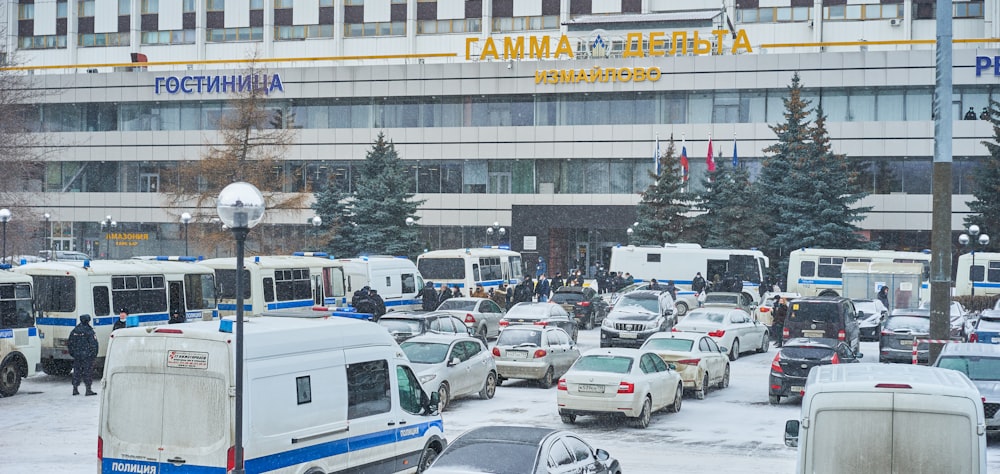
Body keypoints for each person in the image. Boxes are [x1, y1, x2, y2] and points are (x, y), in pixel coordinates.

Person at [68, 314, 99, 396]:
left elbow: (70, 343)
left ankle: (75, 388)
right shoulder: (89, 331)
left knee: (77, 371)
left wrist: (73, 353)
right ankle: (88, 389)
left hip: (77, 356)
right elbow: (94, 344)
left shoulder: (75, 330)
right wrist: (94, 354)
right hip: (87, 356)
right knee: (87, 372)